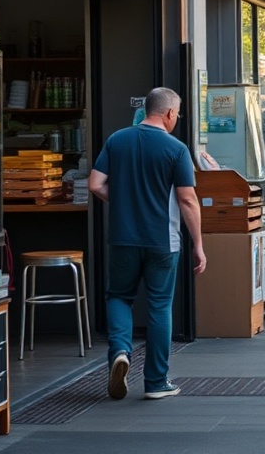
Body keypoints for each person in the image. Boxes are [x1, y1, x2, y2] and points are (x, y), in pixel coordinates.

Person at [88, 87, 206, 401]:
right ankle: (155, 382)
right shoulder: (176, 149)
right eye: (177, 113)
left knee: (119, 297)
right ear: (169, 113)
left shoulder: (117, 140)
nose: (176, 118)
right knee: (159, 307)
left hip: (123, 238)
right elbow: (188, 200)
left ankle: (120, 353)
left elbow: (95, 184)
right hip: (162, 242)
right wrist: (198, 244)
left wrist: (123, 201)